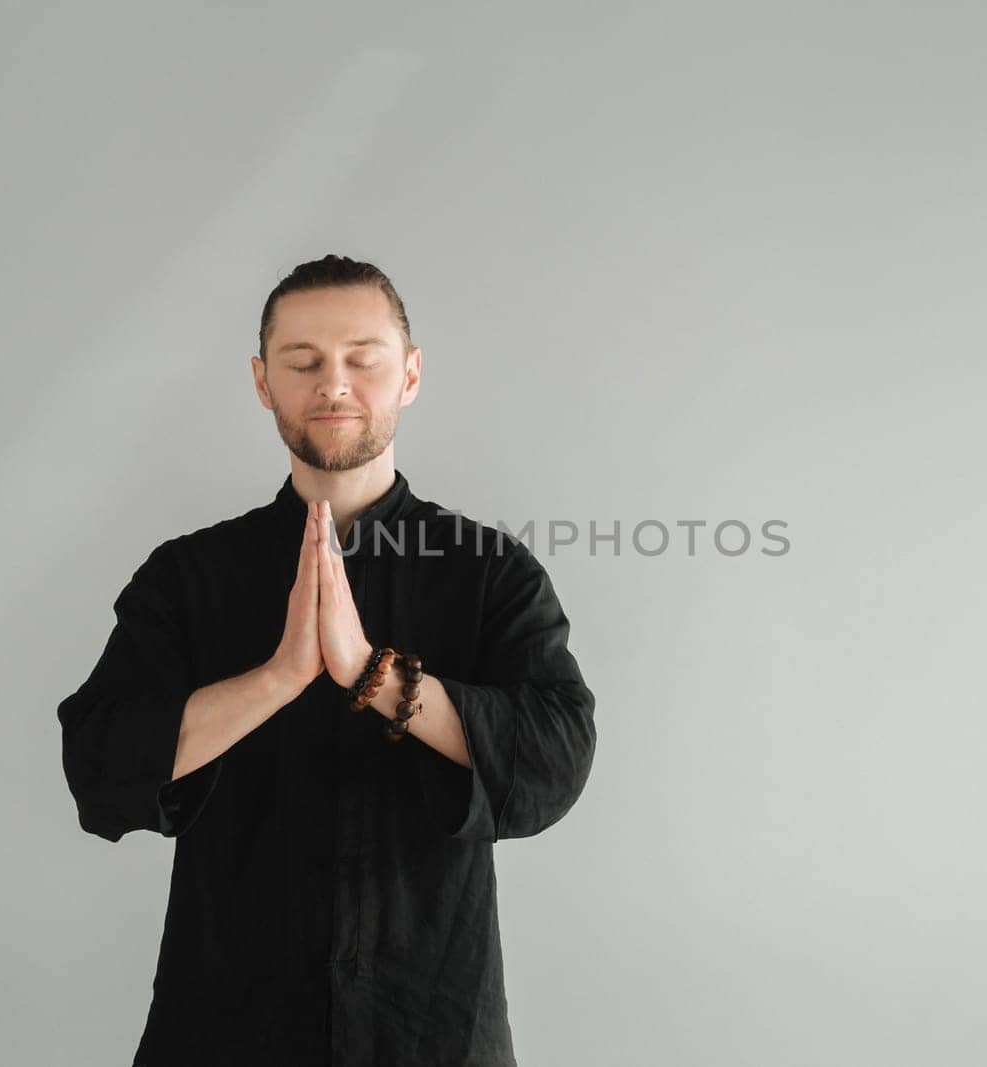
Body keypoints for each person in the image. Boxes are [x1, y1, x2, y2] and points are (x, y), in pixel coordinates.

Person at [55, 254, 598, 1066]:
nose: (332, 384)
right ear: (262, 381)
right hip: (224, 1031)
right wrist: (277, 676)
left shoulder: (487, 571)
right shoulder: (189, 576)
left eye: (362, 359)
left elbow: (555, 758)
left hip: (433, 1030)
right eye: (302, 362)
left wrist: (372, 675)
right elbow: (98, 763)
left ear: (409, 375)